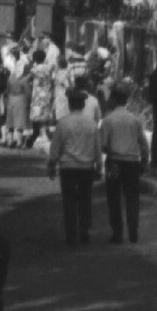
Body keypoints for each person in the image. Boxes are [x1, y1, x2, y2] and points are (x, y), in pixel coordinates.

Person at [47, 88, 103, 246]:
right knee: (85, 200)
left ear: (70, 104)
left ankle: (71, 234)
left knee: (69, 201)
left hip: (68, 167)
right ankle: (84, 231)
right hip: (86, 167)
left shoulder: (63, 123)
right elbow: (97, 147)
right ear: (83, 105)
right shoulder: (91, 124)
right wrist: (99, 166)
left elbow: (55, 146)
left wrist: (51, 164)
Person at [99, 86, 148, 243]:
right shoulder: (134, 119)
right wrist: (144, 162)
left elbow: (103, 145)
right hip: (132, 162)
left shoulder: (108, 120)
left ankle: (117, 233)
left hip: (114, 161)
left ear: (113, 100)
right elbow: (144, 144)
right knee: (132, 196)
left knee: (114, 197)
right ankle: (133, 230)